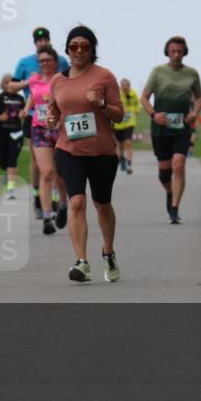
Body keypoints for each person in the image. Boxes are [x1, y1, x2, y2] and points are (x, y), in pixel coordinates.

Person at [45, 25, 123, 283]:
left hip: (102, 151)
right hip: (70, 150)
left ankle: (108, 253)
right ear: (67, 50)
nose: (79, 51)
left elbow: (119, 115)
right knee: (77, 203)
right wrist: (51, 119)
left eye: (85, 46)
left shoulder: (104, 77)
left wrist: (101, 104)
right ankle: (82, 262)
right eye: (74, 46)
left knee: (102, 205)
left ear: (92, 50)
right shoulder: (57, 81)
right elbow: (54, 112)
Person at [140, 35, 201, 225]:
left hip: (182, 127)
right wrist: (154, 115)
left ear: (185, 52)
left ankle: (174, 209)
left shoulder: (191, 73)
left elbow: (199, 97)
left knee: (179, 164)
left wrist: (195, 113)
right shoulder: (158, 72)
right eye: (173, 51)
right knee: (164, 173)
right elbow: (144, 98)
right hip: (161, 127)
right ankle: (170, 191)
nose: (176, 55)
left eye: (180, 51)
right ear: (167, 52)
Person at [11, 27, 69, 220]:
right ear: (34, 43)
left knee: (59, 166)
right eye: (38, 40)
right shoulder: (25, 62)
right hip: (34, 116)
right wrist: (28, 83)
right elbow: (12, 85)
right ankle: (37, 197)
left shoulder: (61, 61)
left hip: (58, 118)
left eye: (45, 39)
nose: (42, 42)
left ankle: (58, 199)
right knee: (38, 162)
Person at [23, 45, 69, 235]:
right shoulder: (34, 80)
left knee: (60, 175)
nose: (45, 63)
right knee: (47, 172)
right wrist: (26, 109)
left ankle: (63, 204)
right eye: (41, 61)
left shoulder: (62, 80)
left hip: (60, 130)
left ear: (56, 62)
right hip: (39, 129)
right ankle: (47, 218)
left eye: (48, 60)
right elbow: (32, 98)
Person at [0, 74, 25, 200]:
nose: (10, 84)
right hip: (1, 132)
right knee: (3, 160)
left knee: (12, 160)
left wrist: (23, 114)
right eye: (7, 82)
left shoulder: (21, 98)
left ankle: (10, 189)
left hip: (17, 132)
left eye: (12, 82)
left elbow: (26, 112)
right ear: (3, 84)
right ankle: (5, 172)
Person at [113, 78, 141, 174]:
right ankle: (122, 159)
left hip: (130, 122)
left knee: (128, 143)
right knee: (119, 146)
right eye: (123, 85)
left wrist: (137, 109)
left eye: (126, 85)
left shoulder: (133, 94)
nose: (125, 87)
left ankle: (129, 164)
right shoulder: (117, 94)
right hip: (119, 124)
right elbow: (112, 104)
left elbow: (138, 103)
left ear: (129, 86)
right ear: (120, 86)